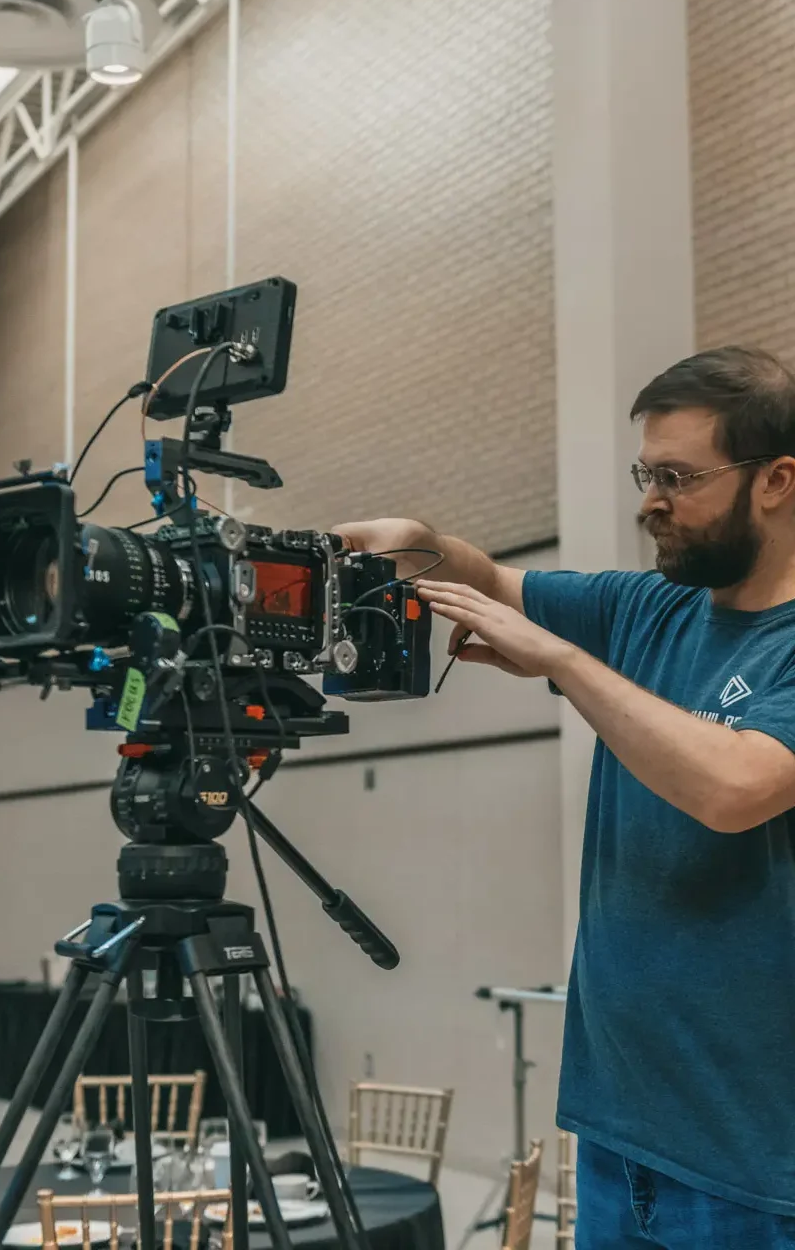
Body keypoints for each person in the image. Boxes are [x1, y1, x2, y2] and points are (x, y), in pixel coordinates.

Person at [336, 346, 795, 1249]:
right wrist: (417, 540)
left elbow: (736, 787)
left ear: (778, 480)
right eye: (644, 472)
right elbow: (491, 581)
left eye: (677, 476)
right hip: (620, 1132)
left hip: (755, 1163)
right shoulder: (647, 611)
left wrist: (560, 660)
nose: (648, 500)